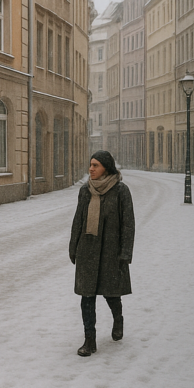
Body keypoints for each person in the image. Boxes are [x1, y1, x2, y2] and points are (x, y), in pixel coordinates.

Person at [69, 150, 134, 357]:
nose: (91, 169)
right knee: (86, 297)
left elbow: (128, 225)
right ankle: (90, 340)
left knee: (111, 294)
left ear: (106, 167)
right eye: (90, 165)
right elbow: (78, 220)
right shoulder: (85, 191)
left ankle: (118, 319)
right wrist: (73, 247)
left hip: (111, 251)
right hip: (88, 250)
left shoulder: (121, 191)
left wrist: (125, 253)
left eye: (96, 165)